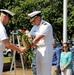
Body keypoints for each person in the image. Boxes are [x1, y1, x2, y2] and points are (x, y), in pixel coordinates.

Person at [0, 9, 26, 75]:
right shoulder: (1, 28)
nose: (9, 21)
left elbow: (4, 44)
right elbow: (7, 44)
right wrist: (19, 49)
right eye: (9, 19)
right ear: (5, 16)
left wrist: (15, 47)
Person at [28, 11, 54, 75]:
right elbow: (29, 35)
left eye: (34, 20)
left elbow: (38, 38)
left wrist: (28, 46)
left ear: (38, 18)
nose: (33, 22)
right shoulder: (35, 26)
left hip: (46, 49)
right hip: (38, 49)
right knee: (39, 71)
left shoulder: (46, 25)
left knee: (45, 71)